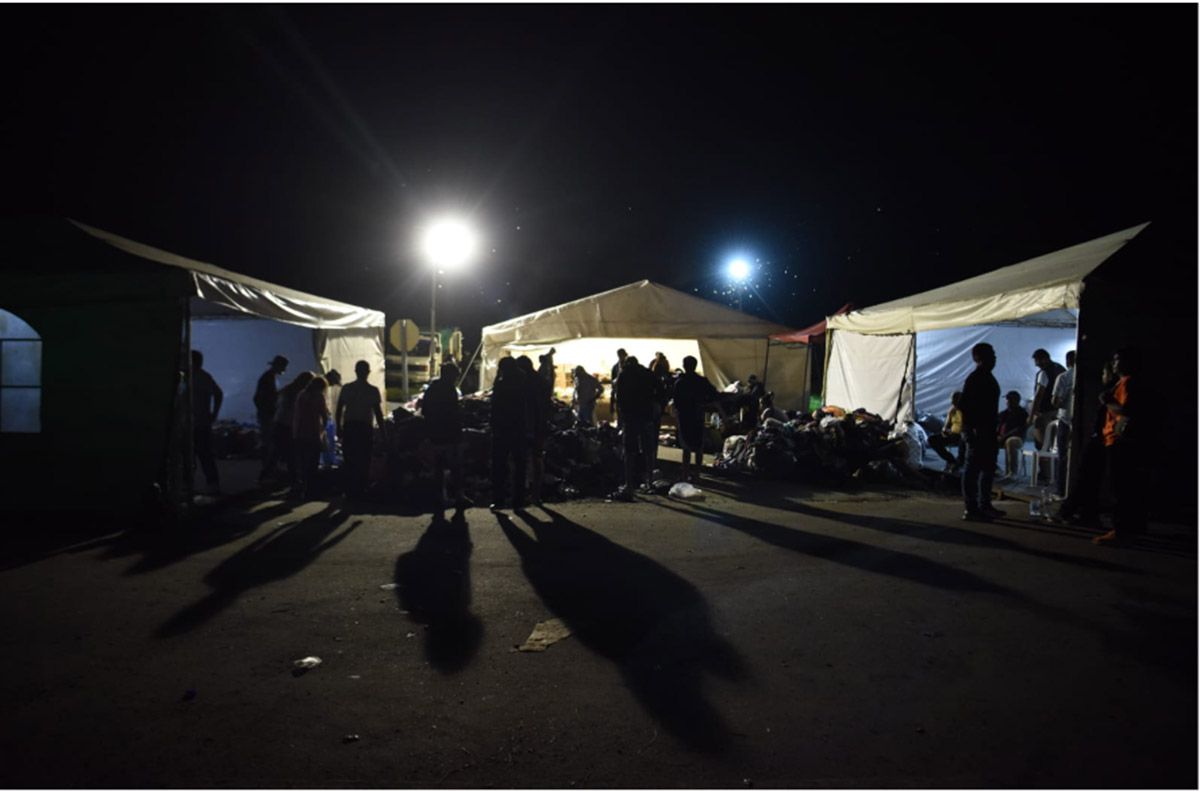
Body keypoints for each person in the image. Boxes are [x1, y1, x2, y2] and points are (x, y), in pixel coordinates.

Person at [1093, 347, 1144, 546]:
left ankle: (1120, 530)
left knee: (1120, 487)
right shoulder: (1123, 383)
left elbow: (1126, 412)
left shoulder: (1128, 384)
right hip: (1116, 440)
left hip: (1118, 440)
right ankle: (1130, 527)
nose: (1114, 364)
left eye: (1117, 360)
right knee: (1126, 486)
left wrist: (1108, 400)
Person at [1058, 359, 1117, 527]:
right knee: (1091, 479)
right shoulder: (1111, 391)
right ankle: (1085, 513)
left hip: (1101, 438)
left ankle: (1071, 511)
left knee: (1085, 476)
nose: (1102, 377)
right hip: (1103, 438)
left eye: (1104, 373)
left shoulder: (1110, 394)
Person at [960, 342, 1003, 521]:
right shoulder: (975, 378)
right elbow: (964, 406)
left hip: (988, 430)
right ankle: (971, 508)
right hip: (978, 431)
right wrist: (970, 430)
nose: (994, 358)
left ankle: (984, 504)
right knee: (973, 469)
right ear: (978, 358)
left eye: (993, 355)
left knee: (987, 468)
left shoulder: (987, 377)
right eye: (990, 355)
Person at [420, 362, 465, 519]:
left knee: (439, 467)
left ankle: (441, 496)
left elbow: (424, 410)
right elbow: (455, 413)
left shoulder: (432, 389)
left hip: (436, 434)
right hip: (450, 434)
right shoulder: (449, 390)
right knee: (455, 466)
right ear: (450, 375)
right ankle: (458, 496)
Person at [337, 360, 385, 498]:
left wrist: (338, 426)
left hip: (350, 426)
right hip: (364, 427)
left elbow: (340, 409)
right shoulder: (373, 391)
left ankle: (349, 488)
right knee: (364, 458)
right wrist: (383, 433)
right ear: (368, 372)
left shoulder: (346, 388)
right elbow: (378, 413)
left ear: (355, 371)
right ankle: (361, 488)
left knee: (349, 458)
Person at [611, 355, 657, 500]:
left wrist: (621, 413)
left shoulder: (624, 375)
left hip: (630, 418)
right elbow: (661, 389)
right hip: (646, 416)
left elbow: (619, 397)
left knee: (629, 451)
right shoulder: (648, 374)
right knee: (648, 449)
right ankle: (649, 481)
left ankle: (629, 484)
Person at [671, 355, 720, 483]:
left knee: (686, 446)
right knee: (699, 445)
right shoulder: (702, 381)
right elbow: (714, 394)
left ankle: (685, 473)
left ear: (684, 366)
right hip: (698, 415)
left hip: (684, 416)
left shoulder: (680, 382)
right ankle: (697, 473)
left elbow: (676, 402)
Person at [490, 356, 528, 509]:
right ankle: (518, 500)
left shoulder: (501, 384)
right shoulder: (523, 383)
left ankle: (499, 500)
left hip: (502, 430)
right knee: (519, 466)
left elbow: (495, 407)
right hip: (519, 429)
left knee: (500, 466)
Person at [517, 355, 551, 504]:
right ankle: (536, 494)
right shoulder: (540, 381)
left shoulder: (522, 383)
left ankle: (524, 492)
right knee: (537, 459)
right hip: (539, 425)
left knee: (523, 460)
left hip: (526, 426)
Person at [272, 370, 314, 486]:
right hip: (288, 425)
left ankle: (271, 475)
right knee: (291, 453)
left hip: (280, 422)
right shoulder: (299, 393)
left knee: (279, 451)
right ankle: (293, 478)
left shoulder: (288, 389)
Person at [190, 350, 223, 494]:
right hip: (202, 421)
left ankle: (189, 485)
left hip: (194, 422)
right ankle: (212, 483)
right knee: (205, 454)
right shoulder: (205, 376)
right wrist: (214, 413)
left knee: (196, 454)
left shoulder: (194, 377)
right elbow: (218, 393)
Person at [292, 375, 330, 500]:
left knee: (302, 463)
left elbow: (297, 414)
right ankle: (310, 490)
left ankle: (301, 488)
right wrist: (323, 430)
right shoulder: (319, 397)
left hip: (299, 432)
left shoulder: (301, 395)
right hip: (313, 433)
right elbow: (324, 416)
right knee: (313, 463)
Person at [254, 354, 288, 482]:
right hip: (267, 414)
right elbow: (262, 397)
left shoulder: (269, 377)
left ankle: (269, 468)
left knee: (269, 441)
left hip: (267, 413)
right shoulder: (268, 378)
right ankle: (268, 470)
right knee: (268, 442)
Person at [1050, 350, 1076, 495]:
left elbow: (1056, 402)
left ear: (1068, 362)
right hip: (1082, 423)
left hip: (1066, 420)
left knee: (1062, 456)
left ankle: (1061, 490)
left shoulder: (1064, 377)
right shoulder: (1087, 376)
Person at [1030, 348, 1066, 449]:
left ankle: (1043, 464)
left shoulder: (1044, 373)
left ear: (1044, 359)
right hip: (1059, 413)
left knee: (1042, 446)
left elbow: (1039, 395)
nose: (1036, 364)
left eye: (1036, 361)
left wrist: (1032, 415)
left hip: (1045, 413)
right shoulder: (1061, 369)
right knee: (1054, 446)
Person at [928, 391, 965, 471]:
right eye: (952, 401)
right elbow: (946, 425)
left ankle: (960, 463)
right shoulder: (953, 410)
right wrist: (945, 430)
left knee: (964, 439)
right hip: (953, 434)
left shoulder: (968, 411)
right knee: (932, 440)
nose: (953, 403)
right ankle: (951, 460)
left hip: (964, 435)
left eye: (955, 401)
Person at [996, 391, 1029, 481]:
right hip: (1001, 437)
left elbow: (1019, 429)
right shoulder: (1003, 414)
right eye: (1007, 399)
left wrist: (1004, 436)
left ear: (1017, 401)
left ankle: (1012, 472)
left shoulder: (1022, 413)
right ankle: (993, 468)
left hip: (1017, 438)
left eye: (1010, 399)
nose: (1008, 401)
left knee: (1011, 441)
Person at [320, 369, 342, 471]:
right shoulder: (320, 386)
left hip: (321, 419)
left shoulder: (322, 387)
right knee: (326, 441)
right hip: (317, 422)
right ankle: (326, 460)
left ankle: (327, 459)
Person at [609, 348, 628, 425]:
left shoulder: (617, 367)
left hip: (624, 395)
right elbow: (613, 385)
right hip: (621, 395)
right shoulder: (616, 367)